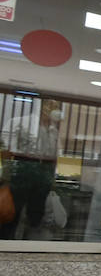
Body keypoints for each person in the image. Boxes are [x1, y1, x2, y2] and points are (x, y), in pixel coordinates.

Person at [1, 97, 62, 240]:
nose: (53, 110)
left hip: (43, 174)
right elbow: (6, 149)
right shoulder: (21, 122)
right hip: (22, 171)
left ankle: (29, 244)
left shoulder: (53, 130)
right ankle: (6, 241)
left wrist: (51, 178)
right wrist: (7, 175)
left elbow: (54, 156)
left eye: (56, 107)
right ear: (41, 106)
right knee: (12, 211)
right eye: (50, 106)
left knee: (36, 213)